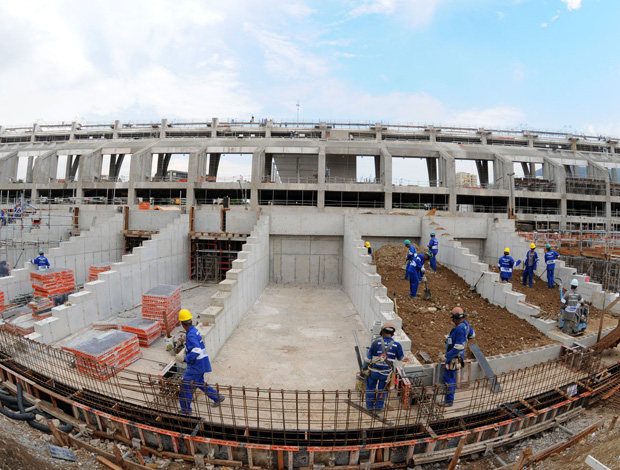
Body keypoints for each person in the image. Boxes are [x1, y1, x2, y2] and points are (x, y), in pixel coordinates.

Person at [178, 309, 224, 414]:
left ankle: (185, 411)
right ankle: (217, 397)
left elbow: (197, 350)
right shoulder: (194, 330)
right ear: (190, 320)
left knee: (185, 387)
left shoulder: (190, 335)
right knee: (199, 382)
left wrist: (186, 358)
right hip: (201, 364)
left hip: (195, 366)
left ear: (182, 323)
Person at [362, 322, 406, 410]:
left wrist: (363, 369)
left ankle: (369, 407)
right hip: (386, 375)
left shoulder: (376, 343)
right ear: (392, 334)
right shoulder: (397, 345)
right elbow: (401, 358)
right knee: (383, 390)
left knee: (370, 388)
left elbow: (367, 360)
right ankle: (379, 408)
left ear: (382, 332)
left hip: (373, 372)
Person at [439, 307, 475, 407]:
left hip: (453, 357)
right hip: (460, 356)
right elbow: (472, 335)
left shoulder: (459, 328)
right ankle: (448, 394)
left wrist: (446, 356)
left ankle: (448, 401)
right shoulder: (466, 325)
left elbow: (458, 347)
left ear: (455, 318)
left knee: (449, 379)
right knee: (452, 377)